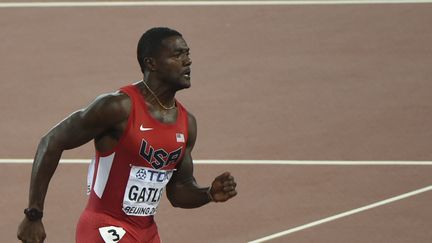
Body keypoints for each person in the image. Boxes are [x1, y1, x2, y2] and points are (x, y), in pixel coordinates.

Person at [17, 27, 238, 243]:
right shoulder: (118, 107)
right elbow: (51, 142)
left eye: (187, 54)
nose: (187, 61)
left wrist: (208, 193)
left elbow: (179, 190)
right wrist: (33, 214)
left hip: (147, 234)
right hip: (104, 228)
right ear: (151, 63)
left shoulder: (187, 124)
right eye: (178, 54)